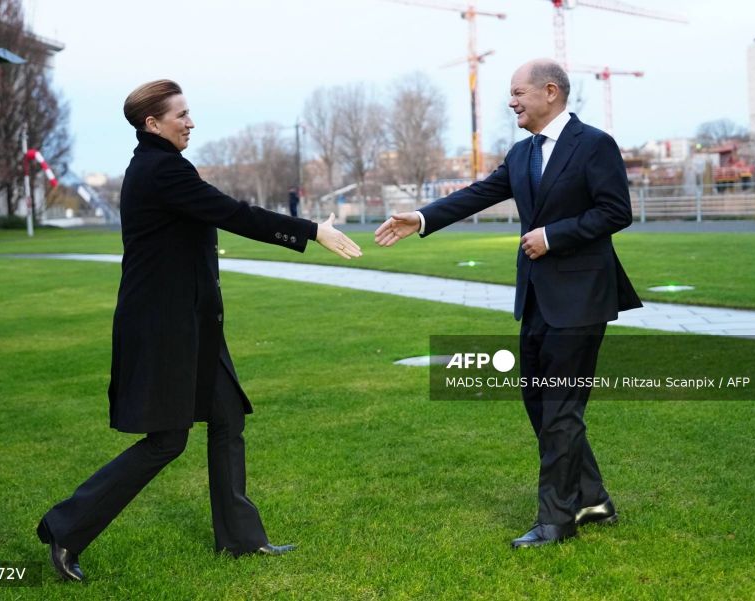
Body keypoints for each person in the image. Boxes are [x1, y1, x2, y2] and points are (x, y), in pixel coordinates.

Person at [36, 79, 362, 582]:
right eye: (181, 115)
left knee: (228, 418)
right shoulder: (162, 170)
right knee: (167, 440)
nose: (191, 122)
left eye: (190, 113)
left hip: (192, 327)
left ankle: (240, 540)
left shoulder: (158, 166)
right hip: (165, 331)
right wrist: (312, 230)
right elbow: (234, 213)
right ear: (153, 124)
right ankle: (66, 527)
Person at [374, 59, 641, 549]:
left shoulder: (594, 144)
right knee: (540, 404)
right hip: (537, 300)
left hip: (582, 299)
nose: (511, 101)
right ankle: (595, 500)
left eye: (519, 92)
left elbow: (615, 211)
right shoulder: (522, 154)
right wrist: (421, 217)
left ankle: (556, 521)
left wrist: (553, 236)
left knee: (561, 408)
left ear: (551, 92)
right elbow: (478, 194)